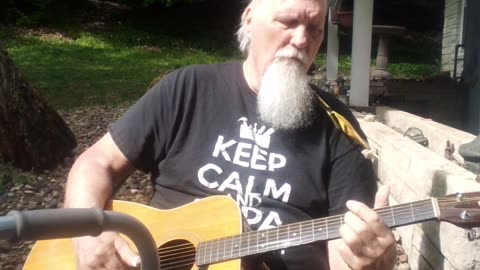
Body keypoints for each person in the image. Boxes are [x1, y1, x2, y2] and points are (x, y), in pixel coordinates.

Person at [65, 0, 397, 269]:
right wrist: (87, 234)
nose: (302, 40)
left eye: (314, 29)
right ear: (250, 20)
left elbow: (343, 250)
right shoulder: (188, 89)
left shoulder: (338, 127)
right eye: (288, 22)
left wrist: (368, 260)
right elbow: (96, 163)